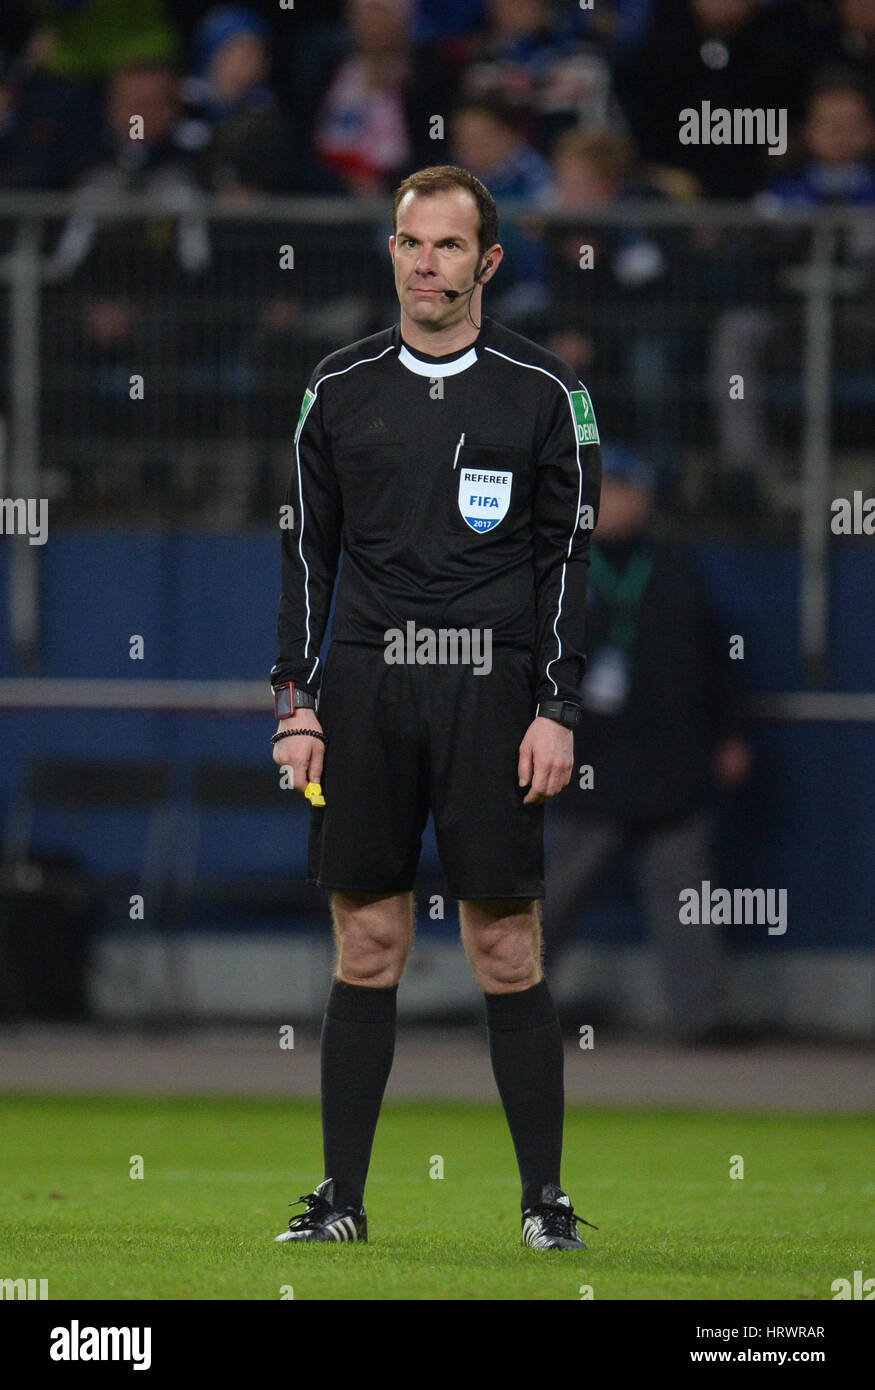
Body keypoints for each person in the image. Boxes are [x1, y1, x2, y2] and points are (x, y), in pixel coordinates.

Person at [269, 164, 602, 1249]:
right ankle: (340, 1202)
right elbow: (306, 558)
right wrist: (295, 700)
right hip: (365, 685)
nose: (426, 263)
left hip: (490, 689)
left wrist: (556, 704)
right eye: (411, 242)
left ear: (487, 262)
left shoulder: (545, 393)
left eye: (449, 245)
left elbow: (566, 561)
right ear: (393, 253)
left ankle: (543, 1203)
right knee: (367, 942)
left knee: (504, 946)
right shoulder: (338, 386)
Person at [542, 446, 753, 1043]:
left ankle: (700, 1020)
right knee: (553, 897)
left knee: (687, 899)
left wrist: (731, 733)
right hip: (591, 763)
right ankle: (511, 1009)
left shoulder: (676, 566)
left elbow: (717, 660)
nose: (605, 502)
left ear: (645, 496)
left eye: (619, 490)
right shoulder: (562, 566)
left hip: (671, 762)